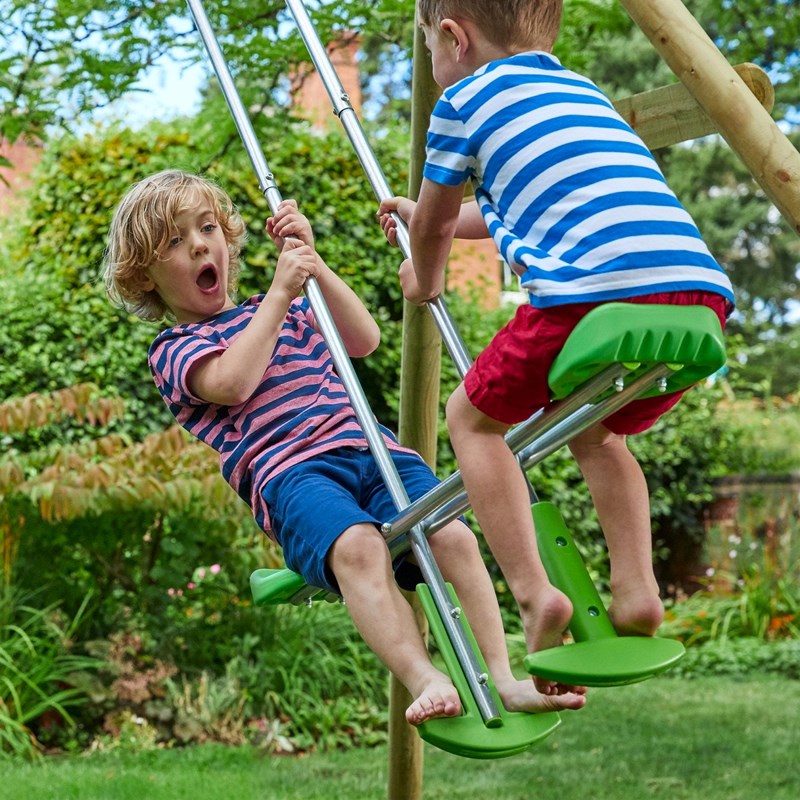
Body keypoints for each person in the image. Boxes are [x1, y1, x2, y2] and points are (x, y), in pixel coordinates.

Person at [102, 169, 586, 724]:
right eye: (173, 241)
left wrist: (314, 265)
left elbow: (363, 339)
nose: (198, 243)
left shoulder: (285, 305)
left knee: (452, 535)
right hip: (292, 475)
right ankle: (423, 675)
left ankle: (504, 677)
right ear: (144, 278)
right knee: (357, 547)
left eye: (207, 227)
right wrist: (281, 295)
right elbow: (232, 383)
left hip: (370, 451)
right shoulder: (177, 347)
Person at [378, 0, 734, 693]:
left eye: (428, 51)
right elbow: (518, 201)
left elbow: (439, 229)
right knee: (601, 435)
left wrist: (423, 275)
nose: (434, 66)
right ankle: (636, 589)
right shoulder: (578, 91)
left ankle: (535, 592)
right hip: (696, 294)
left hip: (589, 296)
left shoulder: (459, 103)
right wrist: (428, 214)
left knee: (470, 421)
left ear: (453, 37)